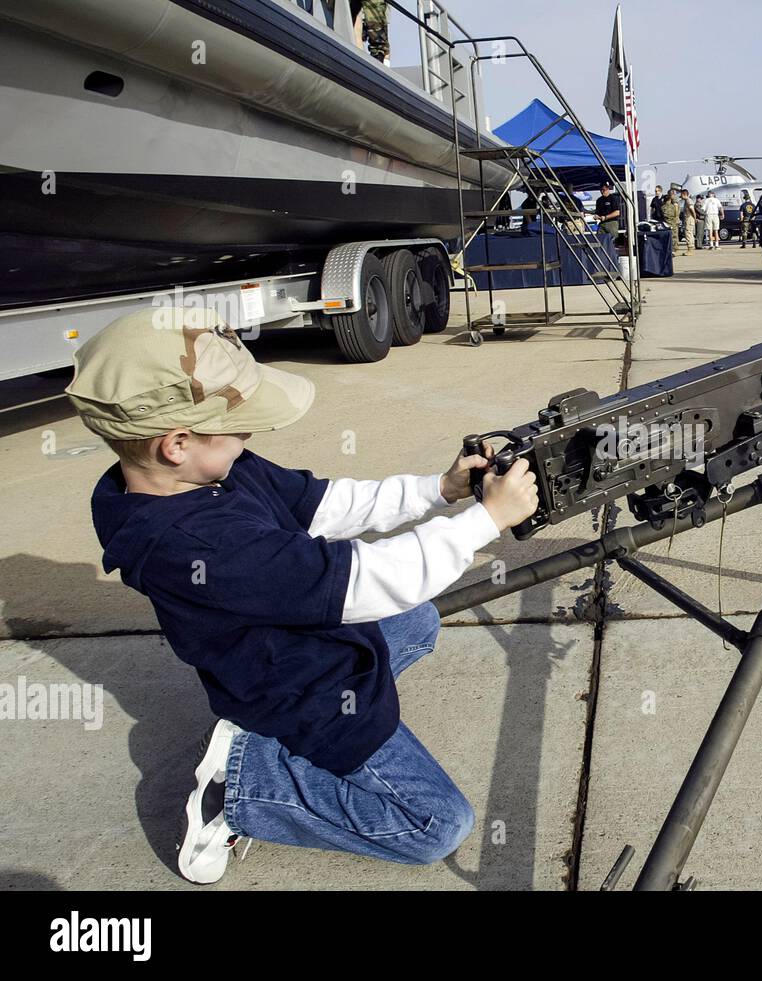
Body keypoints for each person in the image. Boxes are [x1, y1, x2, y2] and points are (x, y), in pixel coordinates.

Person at [64, 307, 539, 884]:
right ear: (177, 443)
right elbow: (367, 579)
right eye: (239, 428)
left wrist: (440, 490)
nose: (250, 438)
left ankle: (265, 741)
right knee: (436, 827)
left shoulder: (208, 470)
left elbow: (328, 505)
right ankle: (244, 784)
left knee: (416, 620)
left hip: (290, 645)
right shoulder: (194, 545)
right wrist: (485, 521)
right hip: (293, 689)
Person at [660, 185, 684, 257]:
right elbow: (676, 211)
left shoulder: (673, 203)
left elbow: (676, 211)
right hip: (673, 221)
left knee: (674, 236)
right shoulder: (673, 204)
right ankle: (673, 249)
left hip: (672, 221)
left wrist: (676, 218)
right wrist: (676, 218)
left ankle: (673, 249)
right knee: (674, 235)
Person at [680, 188, 697, 254]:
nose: (681, 196)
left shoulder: (688, 201)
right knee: (690, 233)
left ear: (684, 194)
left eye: (681, 194)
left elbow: (691, 209)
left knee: (688, 233)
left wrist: (694, 217)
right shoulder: (687, 201)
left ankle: (690, 249)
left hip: (689, 219)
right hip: (689, 219)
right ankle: (691, 248)